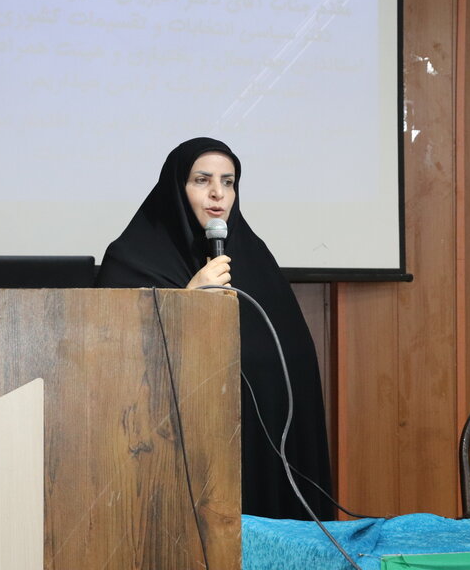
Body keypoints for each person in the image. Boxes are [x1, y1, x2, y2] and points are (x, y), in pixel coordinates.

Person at [96, 137, 334, 521]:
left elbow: (293, 361)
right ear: (176, 188)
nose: (217, 194)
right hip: (173, 453)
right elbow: (112, 359)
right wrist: (187, 301)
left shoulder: (255, 257)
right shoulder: (129, 260)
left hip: (257, 448)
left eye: (228, 182)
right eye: (202, 180)